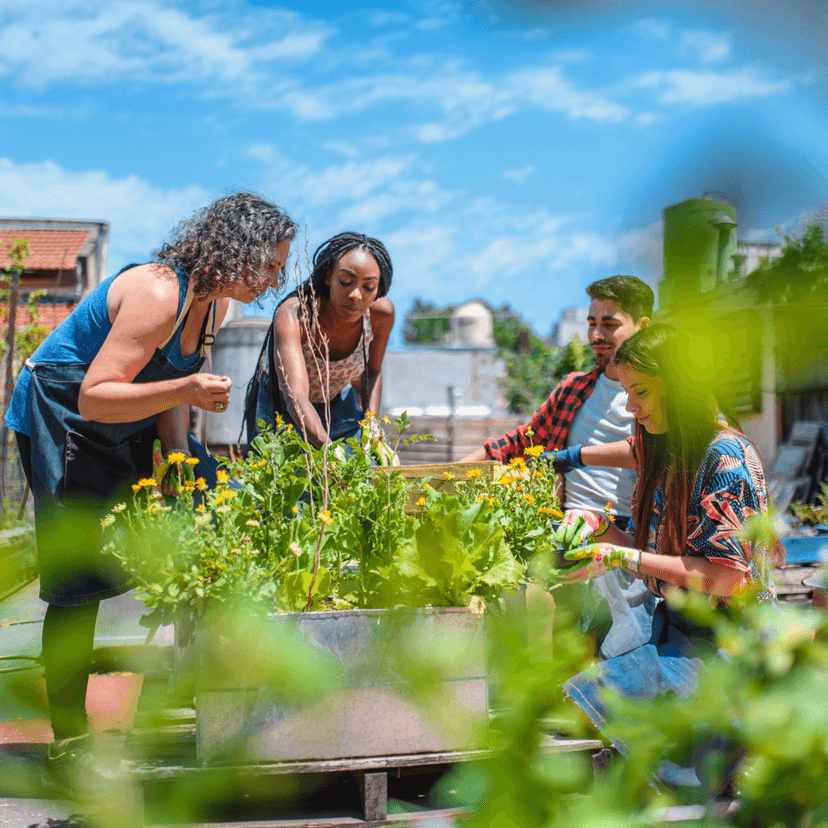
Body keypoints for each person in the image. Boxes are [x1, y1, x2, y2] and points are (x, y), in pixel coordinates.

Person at [3, 191, 297, 791]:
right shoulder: (160, 293)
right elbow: (95, 395)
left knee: (204, 515)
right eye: (269, 264)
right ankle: (70, 741)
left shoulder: (212, 309)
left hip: (122, 422)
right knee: (77, 583)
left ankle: (185, 698)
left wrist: (179, 459)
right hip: (64, 415)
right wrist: (188, 391)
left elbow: (169, 386)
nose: (274, 280)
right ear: (238, 249)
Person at [556, 323, 782, 792]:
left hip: (731, 646)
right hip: (681, 633)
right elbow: (653, 550)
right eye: (626, 392)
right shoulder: (668, 452)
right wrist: (601, 526)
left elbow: (725, 579)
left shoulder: (725, 458)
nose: (630, 407)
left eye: (640, 392)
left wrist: (620, 556)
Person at [461, 275, 655, 657]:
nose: (596, 335)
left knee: (597, 641)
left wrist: (575, 456)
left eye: (610, 324)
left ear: (643, 326)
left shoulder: (652, 396)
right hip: (563, 528)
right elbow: (520, 442)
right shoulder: (574, 389)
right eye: (592, 323)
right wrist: (447, 472)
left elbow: (652, 452)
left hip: (624, 535)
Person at [245, 232, 394, 448]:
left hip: (335, 400)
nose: (356, 295)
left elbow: (372, 372)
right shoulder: (296, 314)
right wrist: (330, 452)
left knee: (365, 463)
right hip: (281, 404)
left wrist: (372, 426)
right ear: (328, 277)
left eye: (368, 287)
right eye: (345, 281)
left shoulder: (381, 315)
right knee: (279, 468)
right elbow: (296, 396)